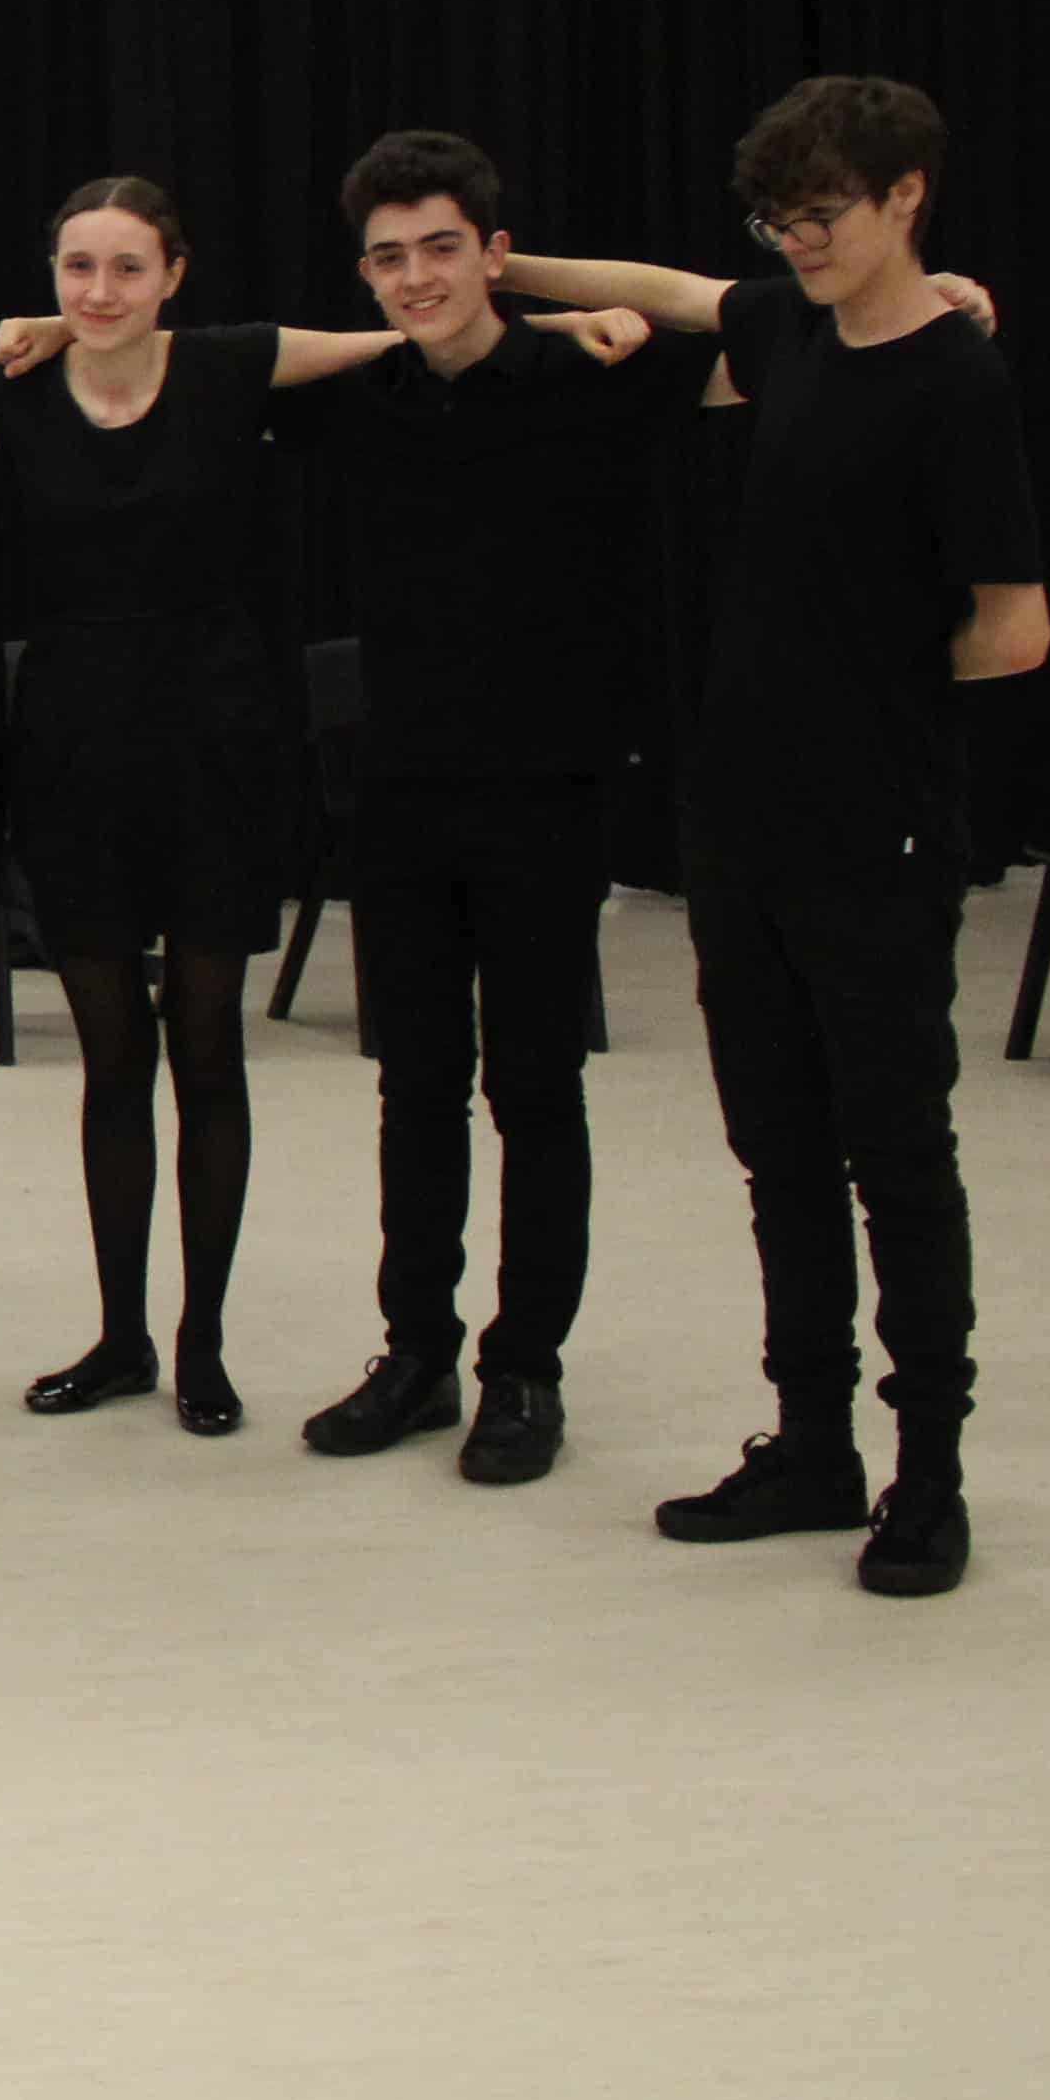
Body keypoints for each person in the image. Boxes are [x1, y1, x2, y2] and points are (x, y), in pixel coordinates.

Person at [500, 77, 1048, 1597]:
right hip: (737, 826)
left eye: (824, 218)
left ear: (906, 199)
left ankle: (928, 1473)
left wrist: (864, 679)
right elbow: (668, 294)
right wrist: (506, 268)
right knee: (776, 1151)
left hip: (874, 829)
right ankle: (813, 1443)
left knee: (896, 1154)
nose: (799, 243)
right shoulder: (791, 331)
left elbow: (1016, 630)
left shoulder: (958, 378)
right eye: (779, 221)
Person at [257, 132, 724, 1486]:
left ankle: (525, 1368)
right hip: (400, 788)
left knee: (534, 1083)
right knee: (415, 1085)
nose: (417, 278)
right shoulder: (363, 398)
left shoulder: (596, 370)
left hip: (548, 787)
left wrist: (559, 294)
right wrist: (369, 338)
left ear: (492, 252)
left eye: (443, 248)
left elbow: (741, 315)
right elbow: (208, 357)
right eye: (390, 259)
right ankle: (416, 1352)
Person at [0, 175, 331, 1440]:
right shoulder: (11, 397)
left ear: (174, 272)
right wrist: (9, 350)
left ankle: (203, 1342)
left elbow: (426, 336)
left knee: (209, 1046)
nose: (99, 292)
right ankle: (121, 1334)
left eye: (125, 268)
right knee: (111, 1056)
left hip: (219, 748)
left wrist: (577, 326)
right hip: (72, 754)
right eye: (77, 269)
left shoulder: (233, 369)